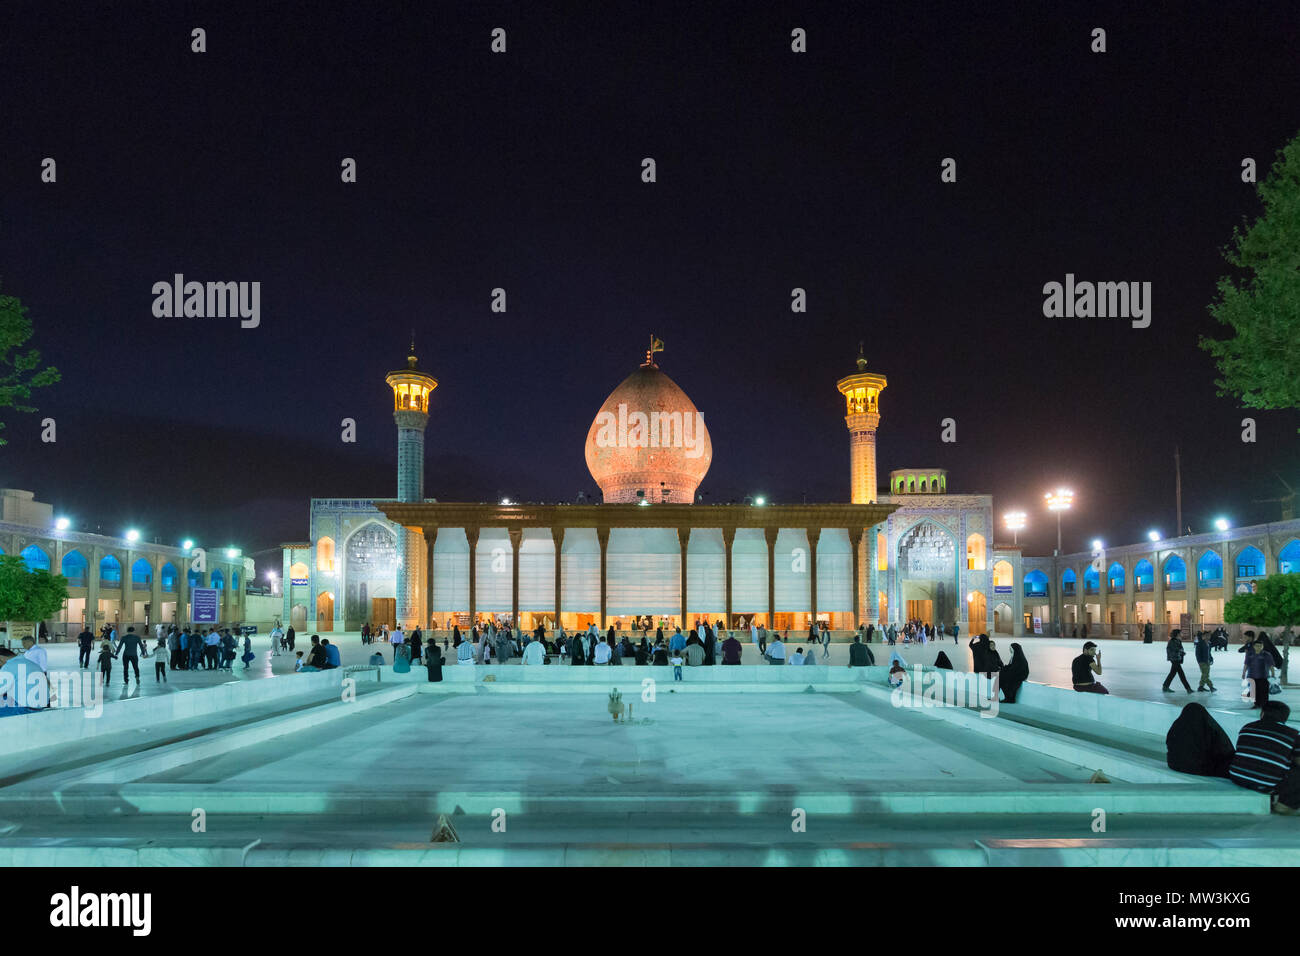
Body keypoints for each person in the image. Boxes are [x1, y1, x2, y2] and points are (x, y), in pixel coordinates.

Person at [1228, 701, 1300, 813]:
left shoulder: (1247, 727)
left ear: (1262, 714)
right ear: (1285, 718)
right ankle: (1284, 806)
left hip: (1237, 777)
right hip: (1266, 783)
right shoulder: (1293, 734)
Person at [1166, 702, 1235, 777]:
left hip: (1174, 764)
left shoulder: (1177, 727)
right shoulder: (1206, 729)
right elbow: (1225, 748)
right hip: (1199, 767)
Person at [1243, 637, 1273, 708]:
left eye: (1260, 646)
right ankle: (1256, 704)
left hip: (1264, 676)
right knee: (1254, 691)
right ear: (1254, 646)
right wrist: (1244, 673)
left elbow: (1271, 665)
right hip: (1252, 675)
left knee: (1263, 691)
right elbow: (1246, 664)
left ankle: (1264, 704)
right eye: (1257, 646)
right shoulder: (1250, 654)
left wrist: (1273, 674)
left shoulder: (1267, 654)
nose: (1258, 647)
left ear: (1263, 646)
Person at [1162, 629, 1193, 693]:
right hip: (1175, 659)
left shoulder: (1177, 640)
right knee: (1181, 674)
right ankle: (1188, 688)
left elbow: (1178, 649)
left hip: (1176, 659)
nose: (1182, 634)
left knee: (1172, 673)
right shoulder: (1173, 641)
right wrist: (1181, 652)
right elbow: (1175, 650)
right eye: (1181, 633)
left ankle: (1165, 686)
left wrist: (1181, 652)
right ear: (1178, 634)